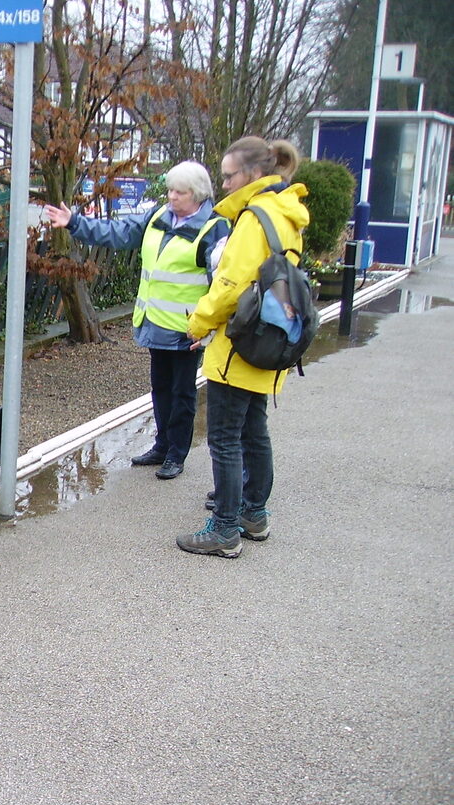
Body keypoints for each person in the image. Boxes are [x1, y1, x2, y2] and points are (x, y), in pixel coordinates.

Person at [43, 163, 230, 481]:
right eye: (170, 189)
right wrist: (74, 223)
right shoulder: (158, 218)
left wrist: (212, 328)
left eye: (179, 192)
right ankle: (162, 445)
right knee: (160, 388)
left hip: (189, 329)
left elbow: (223, 282)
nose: (171, 196)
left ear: (198, 195)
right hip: (156, 323)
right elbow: (117, 234)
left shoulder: (214, 228)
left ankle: (176, 453)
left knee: (182, 392)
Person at [176, 136, 310, 558]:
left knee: (225, 438)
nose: (226, 183)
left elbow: (230, 287)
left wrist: (197, 323)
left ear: (252, 174)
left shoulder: (254, 219)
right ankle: (255, 513)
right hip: (271, 340)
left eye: (230, 175)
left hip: (240, 345)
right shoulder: (286, 213)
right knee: (254, 431)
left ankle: (225, 531)